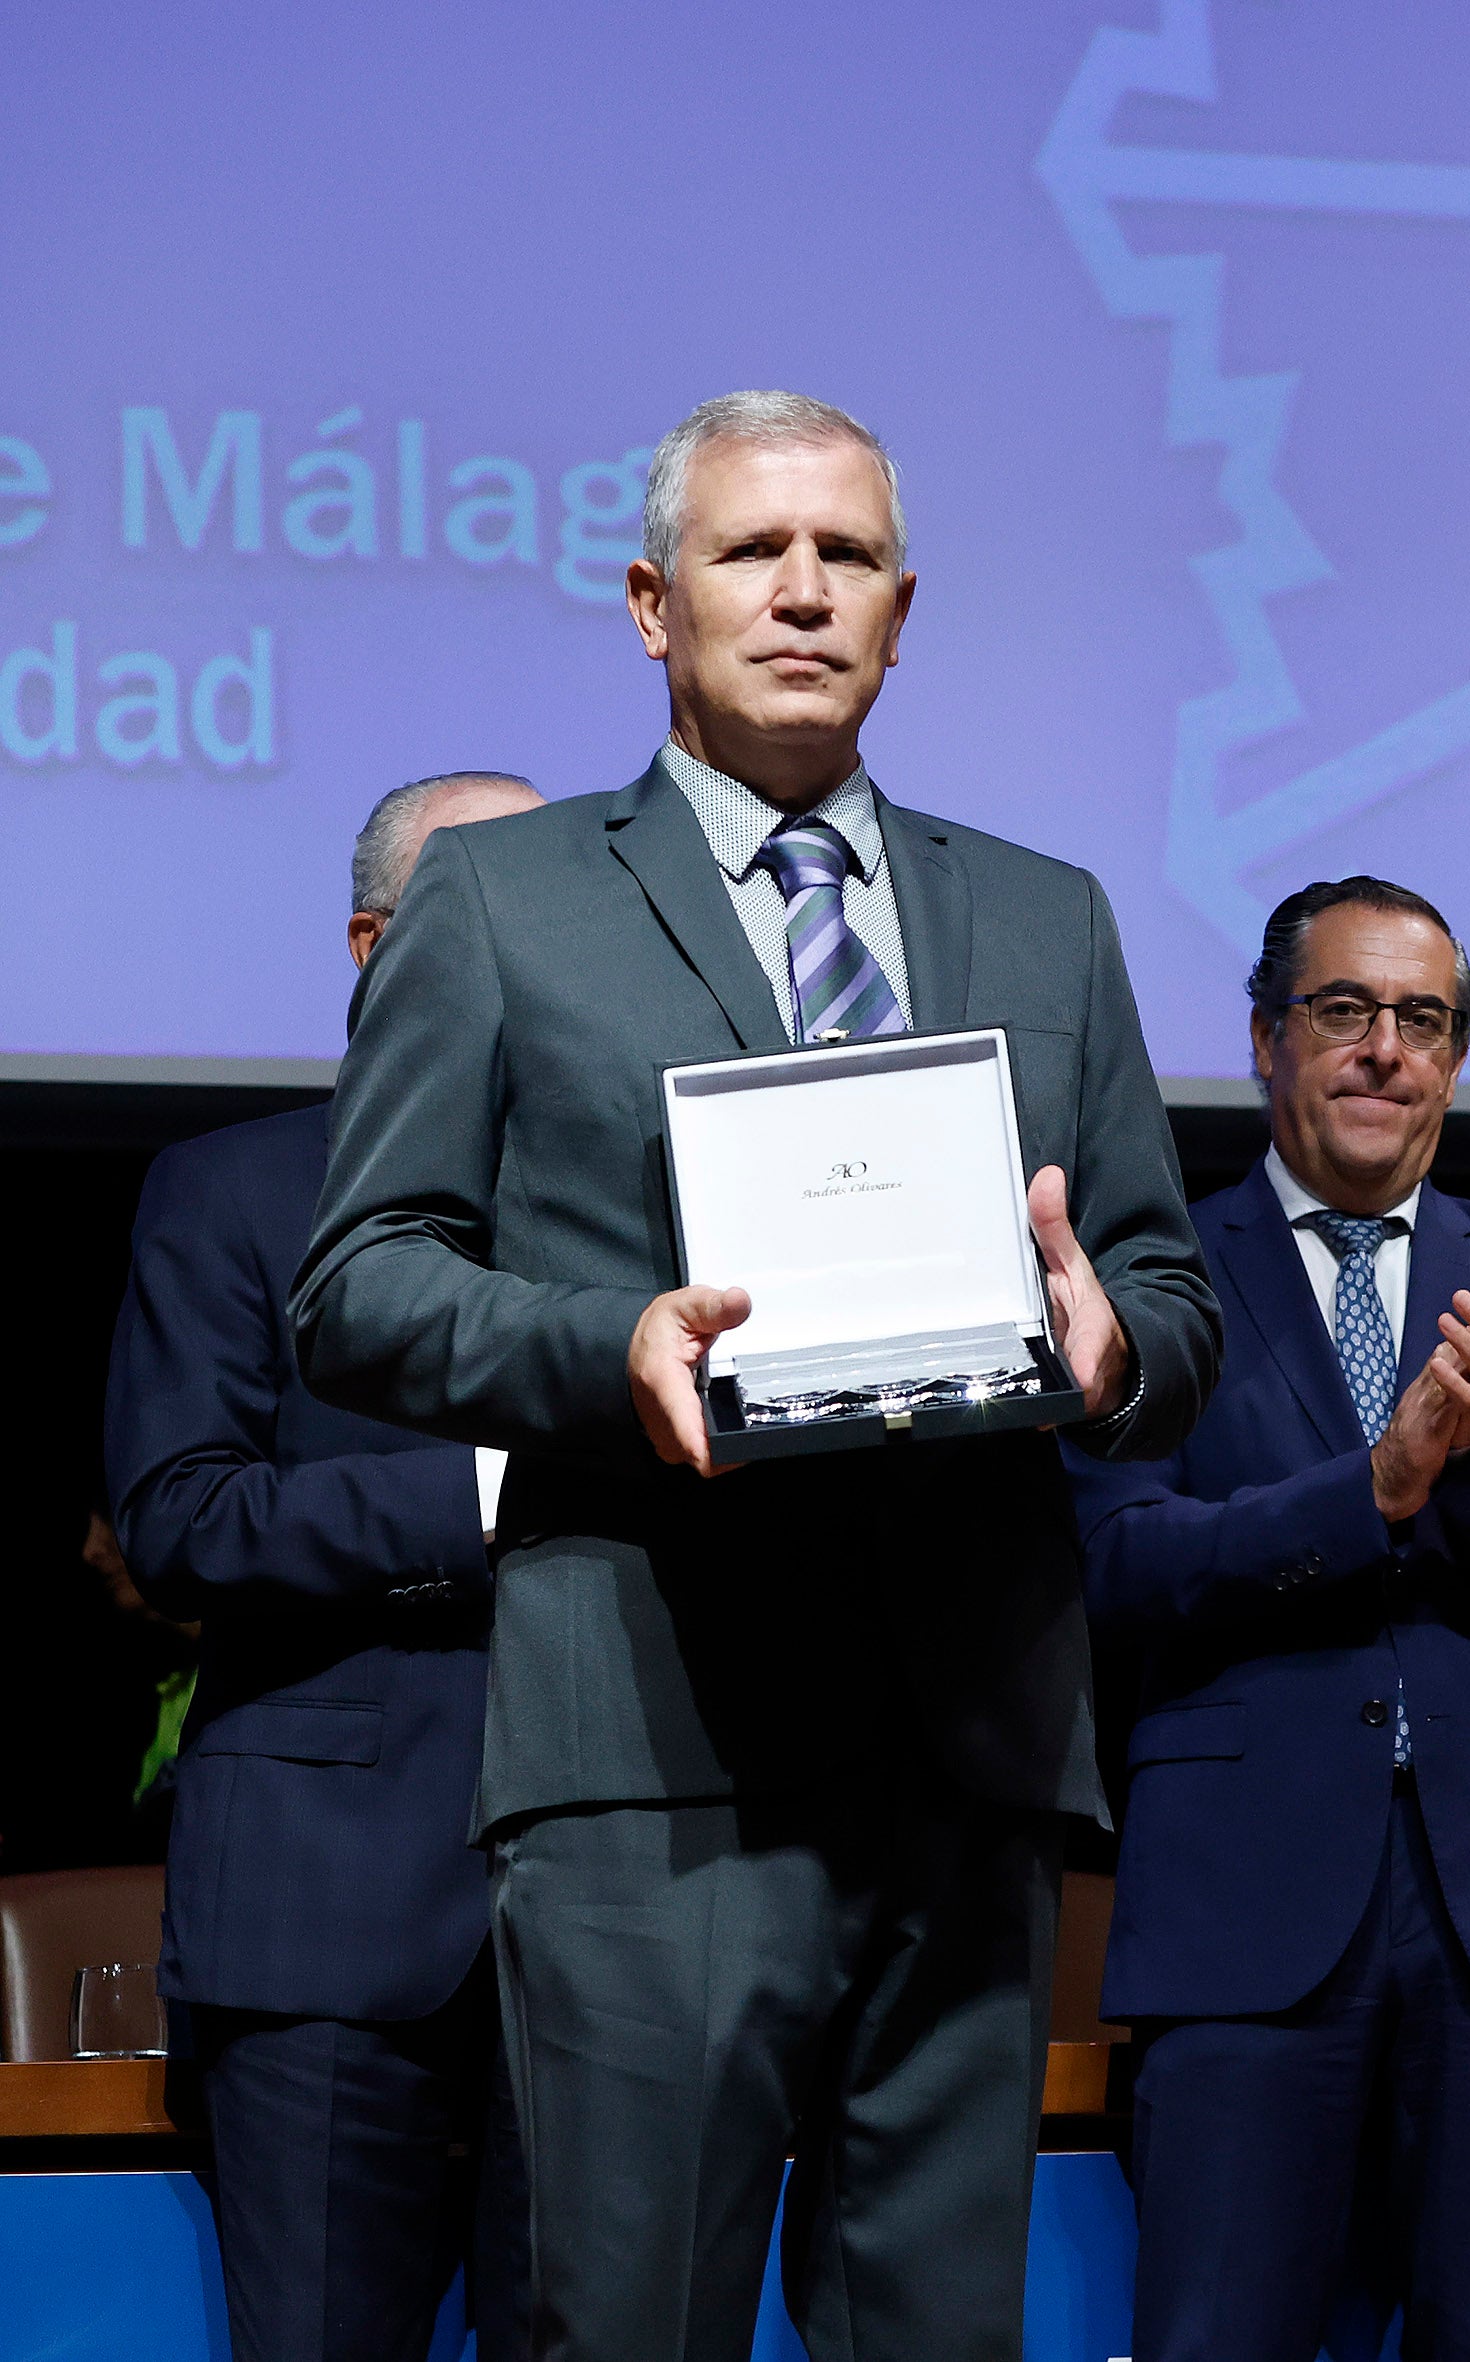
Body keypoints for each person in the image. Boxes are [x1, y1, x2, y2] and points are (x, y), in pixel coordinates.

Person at [290, 391, 1221, 2360]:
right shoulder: (503, 896)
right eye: (748, 550)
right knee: (630, 2324)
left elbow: (1162, 1279)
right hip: (650, 1748)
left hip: (965, 1749)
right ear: (650, 602)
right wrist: (593, 1342)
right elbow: (361, 1280)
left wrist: (1111, 1334)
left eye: (848, 553)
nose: (802, 589)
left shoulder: (1045, 912)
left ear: (903, 606)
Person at [1064, 875, 1470, 2362]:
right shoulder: (1166, 1280)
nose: (1383, 1049)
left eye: (1422, 1019)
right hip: (1244, 1916)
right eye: (1344, 1010)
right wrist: (1373, 1488)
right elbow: (1117, 1567)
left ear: (1458, 1057)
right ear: (1269, 1036)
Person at [106, 770, 541, 2362]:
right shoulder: (231, 1190)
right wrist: (481, 1498)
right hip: (326, 1922)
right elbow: (181, 1515)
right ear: (375, 944)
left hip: (604, 1931)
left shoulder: (640, 1211)